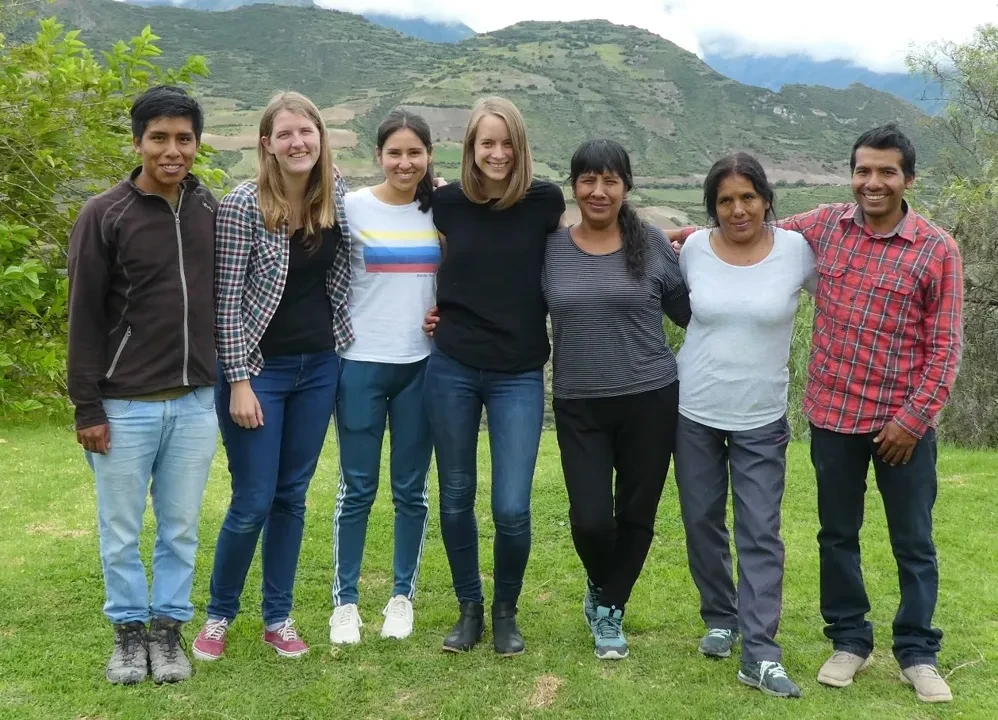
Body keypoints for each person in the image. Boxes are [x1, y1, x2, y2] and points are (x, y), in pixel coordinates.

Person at [670, 124, 964, 703]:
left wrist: (915, 417)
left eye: (886, 172)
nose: (873, 182)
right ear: (851, 175)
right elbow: (720, 241)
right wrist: (678, 232)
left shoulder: (934, 249)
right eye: (863, 171)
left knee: (913, 540)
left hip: (900, 422)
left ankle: (917, 652)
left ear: (909, 178)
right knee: (836, 536)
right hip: (832, 416)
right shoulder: (826, 227)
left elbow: (947, 345)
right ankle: (849, 641)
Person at [66, 85, 219, 685]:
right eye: (159, 138)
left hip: (195, 403)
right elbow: (83, 318)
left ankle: (168, 633)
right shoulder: (104, 215)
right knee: (121, 531)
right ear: (137, 142)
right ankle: (129, 637)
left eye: (183, 138)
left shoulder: (209, 211)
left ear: (197, 145)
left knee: (180, 527)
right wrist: (87, 408)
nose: (172, 150)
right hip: (123, 405)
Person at [192, 91, 352, 661]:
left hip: (320, 366)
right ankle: (217, 615)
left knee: (292, 497)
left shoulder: (336, 197)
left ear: (320, 137)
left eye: (305, 132)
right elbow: (226, 301)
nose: (297, 142)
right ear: (267, 144)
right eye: (284, 134)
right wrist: (237, 380)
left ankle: (277, 618)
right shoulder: (242, 205)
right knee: (253, 499)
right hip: (259, 370)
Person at [422, 96, 565, 656]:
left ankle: (506, 611)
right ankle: (469, 609)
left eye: (507, 143)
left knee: (511, 505)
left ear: (520, 146)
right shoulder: (446, 204)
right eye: (487, 143)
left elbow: (586, 243)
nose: (497, 153)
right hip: (453, 364)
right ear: (471, 149)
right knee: (456, 495)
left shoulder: (544, 202)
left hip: (519, 372)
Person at [673, 153, 815, 698]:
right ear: (712, 207)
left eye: (747, 197)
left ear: (766, 200)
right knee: (702, 521)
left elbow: (845, 300)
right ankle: (720, 616)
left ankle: (760, 653)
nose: (738, 210)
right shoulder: (692, 252)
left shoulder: (796, 252)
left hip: (761, 415)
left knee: (760, 531)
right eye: (726, 200)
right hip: (695, 410)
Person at [544, 139, 690, 660]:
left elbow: (691, 314)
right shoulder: (553, 248)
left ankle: (610, 607)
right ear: (574, 186)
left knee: (636, 513)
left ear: (626, 187)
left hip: (650, 398)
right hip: (579, 402)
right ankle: (603, 585)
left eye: (610, 180)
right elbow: (508, 303)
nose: (598, 191)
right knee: (590, 519)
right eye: (588, 180)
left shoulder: (650, 244)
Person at [328, 109, 439, 645]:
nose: (404, 162)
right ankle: (345, 602)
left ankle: (402, 597)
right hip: (359, 362)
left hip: (422, 364)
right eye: (394, 152)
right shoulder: (350, 209)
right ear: (378, 156)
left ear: (428, 156)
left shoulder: (442, 210)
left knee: (410, 490)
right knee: (357, 488)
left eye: (414, 152)